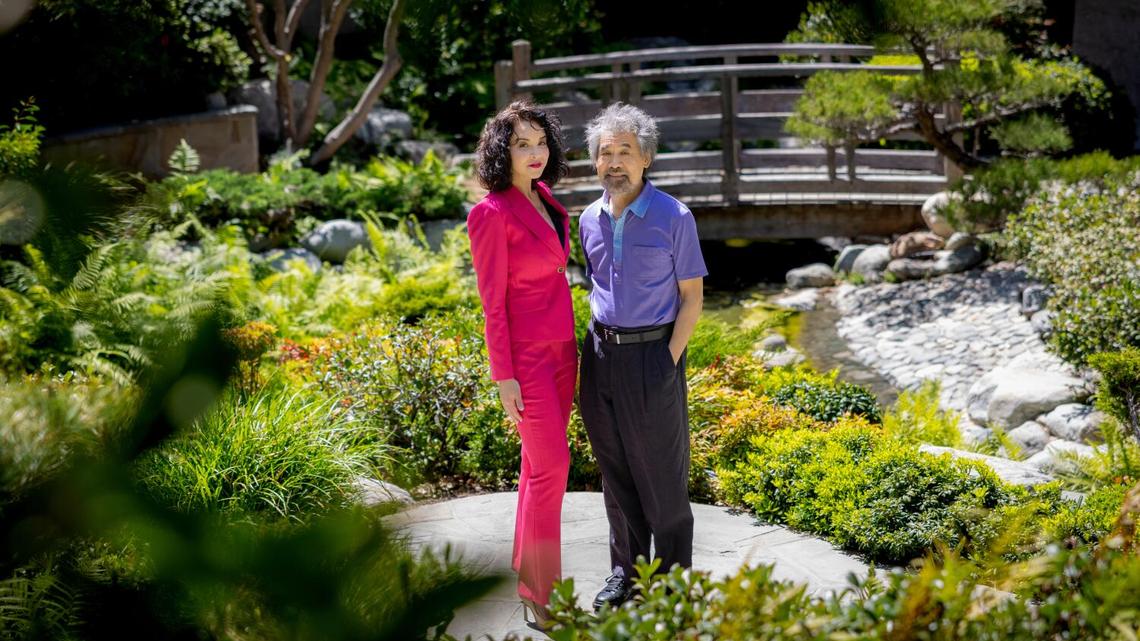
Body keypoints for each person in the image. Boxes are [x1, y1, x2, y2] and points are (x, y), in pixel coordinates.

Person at [577, 102, 708, 611]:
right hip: (600, 356)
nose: (614, 162)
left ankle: (674, 585)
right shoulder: (587, 218)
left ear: (646, 158)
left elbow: (692, 297)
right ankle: (625, 576)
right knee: (616, 473)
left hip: (655, 355)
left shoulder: (675, 217)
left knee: (663, 476)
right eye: (605, 153)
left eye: (624, 152)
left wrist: (669, 358)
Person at [466, 101, 575, 629]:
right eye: (521, 145)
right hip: (527, 362)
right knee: (553, 467)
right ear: (500, 152)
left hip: (563, 355)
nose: (534, 154)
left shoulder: (548, 199)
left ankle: (525, 567)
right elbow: (493, 302)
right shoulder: (489, 213)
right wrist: (503, 374)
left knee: (538, 468)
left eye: (540, 142)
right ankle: (541, 592)